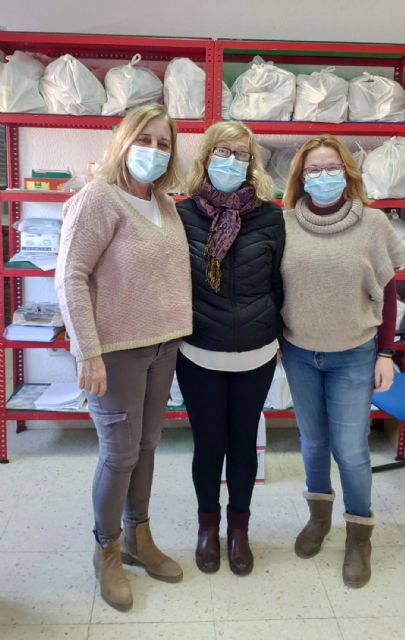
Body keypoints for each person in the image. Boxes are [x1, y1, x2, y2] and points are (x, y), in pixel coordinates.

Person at [55, 103, 192, 611]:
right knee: (119, 454)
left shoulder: (164, 203)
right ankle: (107, 550)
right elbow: (70, 276)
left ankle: (139, 536)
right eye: (144, 140)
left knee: (148, 445)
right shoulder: (99, 198)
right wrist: (87, 352)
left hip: (163, 346)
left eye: (163, 143)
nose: (154, 151)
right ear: (123, 142)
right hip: (114, 353)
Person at [280, 135, 405, 589]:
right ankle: (319, 518)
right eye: (313, 169)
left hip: (354, 354)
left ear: (347, 173)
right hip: (300, 352)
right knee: (312, 442)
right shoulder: (285, 223)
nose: (323, 176)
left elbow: (387, 293)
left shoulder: (373, 224)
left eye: (332, 167)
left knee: (351, 450)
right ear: (300, 177)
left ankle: (358, 535)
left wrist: (386, 353)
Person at [176, 121, 284, 576]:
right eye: (222, 152)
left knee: (242, 446)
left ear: (252, 163)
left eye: (241, 154)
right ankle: (208, 527)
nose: (231, 161)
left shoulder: (270, 216)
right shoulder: (182, 215)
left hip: (256, 353)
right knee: (209, 445)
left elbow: (279, 281)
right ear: (205, 157)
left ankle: (239, 529)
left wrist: (277, 333)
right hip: (199, 352)